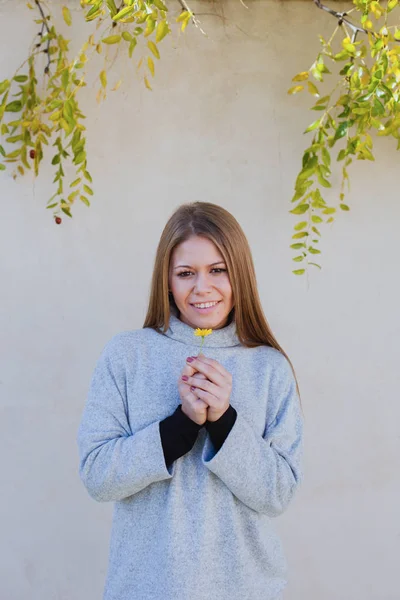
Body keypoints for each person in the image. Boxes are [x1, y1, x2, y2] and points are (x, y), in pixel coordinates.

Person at [77, 201, 304, 600]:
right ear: (166, 280)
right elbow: (97, 476)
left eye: (218, 270)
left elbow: (279, 492)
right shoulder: (127, 356)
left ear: (241, 275)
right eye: (186, 273)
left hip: (247, 590)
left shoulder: (270, 368)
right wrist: (177, 430)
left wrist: (224, 423)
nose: (202, 287)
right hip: (144, 589)